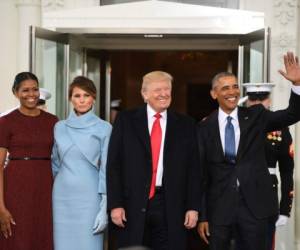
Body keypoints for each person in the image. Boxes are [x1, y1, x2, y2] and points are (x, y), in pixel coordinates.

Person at [197, 52, 300, 250]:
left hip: (255, 209)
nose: (232, 92)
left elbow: (292, 114)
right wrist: (203, 215)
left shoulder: (256, 116)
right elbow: (201, 175)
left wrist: (297, 84)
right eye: (225, 88)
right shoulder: (203, 128)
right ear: (214, 93)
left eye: (235, 86)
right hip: (219, 211)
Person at [107, 71, 201, 250]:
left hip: (171, 204)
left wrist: (193, 207)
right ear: (144, 94)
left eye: (167, 89)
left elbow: (194, 169)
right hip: (132, 205)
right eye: (158, 89)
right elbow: (114, 166)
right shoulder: (126, 120)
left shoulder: (186, 124)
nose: (164, 93)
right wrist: (115, 205)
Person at [51, 76, 112, 250]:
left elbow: (106, 168)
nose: (82, 100)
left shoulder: (104, 127)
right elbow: (55, 163)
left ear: (94, 97)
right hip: (62, 197)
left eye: (86, 95)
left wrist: (104, 205)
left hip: (90, 196)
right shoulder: (59, 127)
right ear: (70, 98)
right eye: (77, 95)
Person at [0, 72, 58, 250]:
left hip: (46, 188)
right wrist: (1, 208)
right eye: (25, 90)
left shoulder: (53, 121)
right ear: (15, 92)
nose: (31, 94)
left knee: (43, 236)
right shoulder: (5, 122)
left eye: (35, 89)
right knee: (17, 239)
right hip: (15, 189)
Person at [240, 82, 294, 250]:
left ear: (269, 101)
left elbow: (286, 170)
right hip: (239, 193)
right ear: (247, 101)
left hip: (266, 194)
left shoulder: (280, 128)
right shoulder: (237, 124)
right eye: (253, 98)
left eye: (262, 98)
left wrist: (285, 208)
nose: (257, 103)